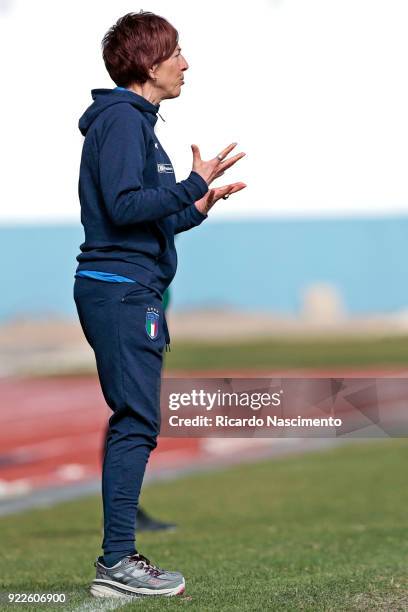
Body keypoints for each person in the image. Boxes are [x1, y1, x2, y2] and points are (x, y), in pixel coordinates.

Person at [73, 10, 246, 599]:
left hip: (130, 286)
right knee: (137, 422)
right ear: (149, 62)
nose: (185, 63)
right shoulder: (122, 121)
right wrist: (191, 184)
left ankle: (118, 561)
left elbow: (148, 217)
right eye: (176, 52)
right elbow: (124, 206)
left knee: (138, 420)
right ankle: (118, 561)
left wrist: (193, 209)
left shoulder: (134, 122)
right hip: (120, 291)